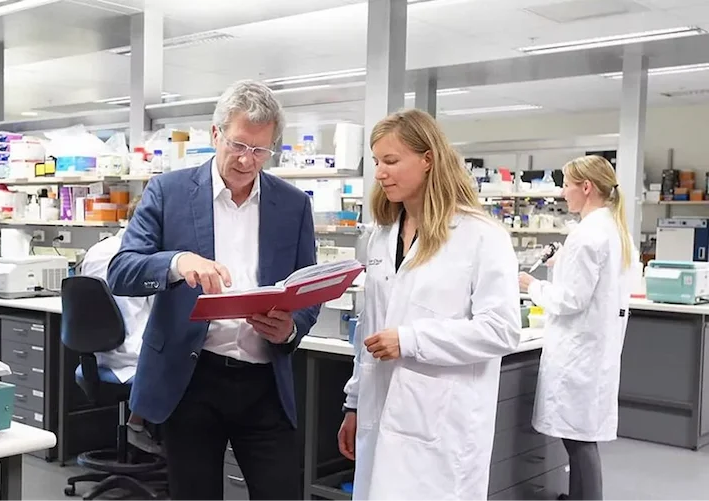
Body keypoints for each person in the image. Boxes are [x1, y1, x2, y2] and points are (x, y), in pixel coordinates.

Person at [107, 79, 320, 501]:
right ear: (215, 133)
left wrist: (292, 327)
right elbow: (121, 271)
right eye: (238, 144)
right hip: (192, 379)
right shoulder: (168, 192)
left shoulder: (293, 205)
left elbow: (308, 288)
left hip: (264, 381)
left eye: (260, 150)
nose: (246, 160)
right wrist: (176, 263)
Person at [338, 109, 521, 501]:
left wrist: (411, 340)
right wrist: (353, 404)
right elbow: (370, 326)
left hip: (442, 424)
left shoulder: (481, 236)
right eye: (376, 162)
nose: (380, 173)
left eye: (391, 161)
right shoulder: (382, 235)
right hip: (378, 406)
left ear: (427, 159)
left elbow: (501, 330)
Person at [518, 155, 638, 501]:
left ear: (586, 187)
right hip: (594, 348)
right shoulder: (611, 229)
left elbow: (570, 300)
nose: (562, 192)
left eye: (567, 185)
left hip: (579, 353)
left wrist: (532, 286)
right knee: (580, 438)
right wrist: (563, 264)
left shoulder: (587, 235)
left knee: (579, 441)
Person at [78, 198, 154, 440]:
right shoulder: (145, 257)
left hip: (96, 357)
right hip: (132, 359)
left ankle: (137, 423)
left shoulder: (96, 250)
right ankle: (142, 430)